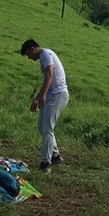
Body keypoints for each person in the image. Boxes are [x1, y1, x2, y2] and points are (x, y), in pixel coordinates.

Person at [20, 39, 69, 173]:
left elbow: (50, 74)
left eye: (28, 54)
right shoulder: (44, 56)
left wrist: (41, 96)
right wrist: (39, 97)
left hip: (57, 95)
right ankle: (55, 155)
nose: (29, 58)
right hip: (51, 95)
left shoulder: (46, 54)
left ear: (32, 49)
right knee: (42, 126)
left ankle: (45, 163)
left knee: (47, 127)